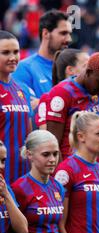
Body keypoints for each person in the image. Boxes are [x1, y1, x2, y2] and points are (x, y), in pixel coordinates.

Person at [9, 130, 72, 233]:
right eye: (46, 154)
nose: (52, 159)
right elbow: (11, 231)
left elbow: (60, 227)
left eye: (55, 154)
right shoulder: (19, 188)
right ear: (29, 155)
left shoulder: (57, 187)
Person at [13, 10, 72, 100]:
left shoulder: (71, 69)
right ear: (46, 33)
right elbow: (25, 107)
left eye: (69, 34)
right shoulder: (24, 68)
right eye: (63, 33)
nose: (69, 39)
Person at [0, 30, 33, 184]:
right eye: (5, 53)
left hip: (23, 176)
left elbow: (30, 133)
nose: (13, 58)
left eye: (16, 52)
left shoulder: (23, 89)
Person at [36, 48, 90, 129]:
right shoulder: (47, 98)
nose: (91, 70)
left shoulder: (91, 94)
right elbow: (47, 135)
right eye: (86, 66)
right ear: (70, 70)